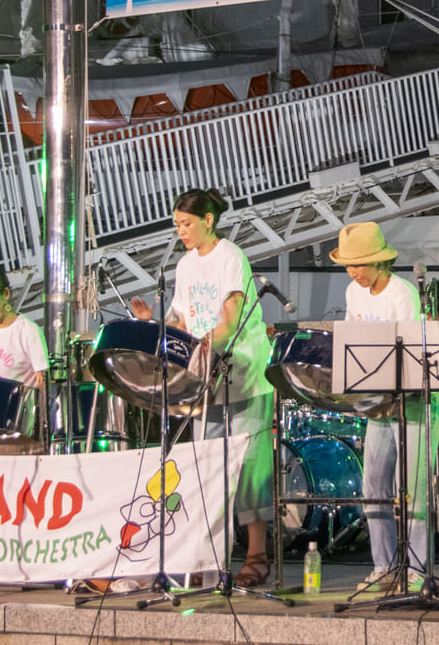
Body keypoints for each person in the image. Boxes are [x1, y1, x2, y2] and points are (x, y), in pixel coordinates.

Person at [129, 189, 274, 587]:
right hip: (203, 381)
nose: (181, 232)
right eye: (177, 225)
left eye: (187, 224)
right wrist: (152, 323)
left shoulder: (231, 257)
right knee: (206, 469)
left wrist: (210, 342)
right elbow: (182, 320)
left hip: (243, 376)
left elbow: (229, 317)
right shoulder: (185, 265)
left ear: (209, 220)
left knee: (249, 469)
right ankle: (209, 560)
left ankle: (257, 556)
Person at [332, 221, 439, 593]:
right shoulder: (354, 292)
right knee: (374, 486)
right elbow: (352, 343)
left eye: (359, 264)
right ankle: (384, 564)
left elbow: (411, 352)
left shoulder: (402, 294)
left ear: (380, 262)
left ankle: (415, 567)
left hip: (410, 402)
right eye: (349, 266)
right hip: (377, 404)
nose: (353, 273)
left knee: (411, 486)